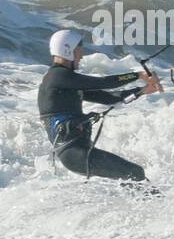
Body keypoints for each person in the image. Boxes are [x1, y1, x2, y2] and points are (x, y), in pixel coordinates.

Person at [38, 29, 162, 181]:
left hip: (79, 152)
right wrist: (138, 75)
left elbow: (110, 98)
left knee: (131, 176)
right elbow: (104, 82)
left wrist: (142, 90)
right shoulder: (57, 76)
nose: (81, 56)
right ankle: (156, 204)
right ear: (68, 50)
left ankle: (144, 204)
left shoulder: (67, 83)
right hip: (73, 153)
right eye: (79, 51)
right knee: (134, 173)